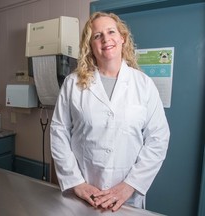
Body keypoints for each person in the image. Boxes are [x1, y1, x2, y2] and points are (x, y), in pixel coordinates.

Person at [50, 11, 170, 212]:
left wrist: (130, 185)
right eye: (97, 36)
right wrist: (76, 182)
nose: (106, 39)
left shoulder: (143, 84)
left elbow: (158, 138)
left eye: (111, 32)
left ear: (122, 38)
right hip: (83, 192)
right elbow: (58, 131)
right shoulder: (73, 84)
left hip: (126, 197)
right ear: (90, 46)